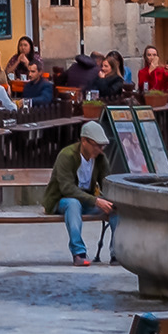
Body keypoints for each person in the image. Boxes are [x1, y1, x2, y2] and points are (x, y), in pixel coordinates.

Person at [46, 111, 118, 261]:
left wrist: (111, 201)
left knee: (115, 208)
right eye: (97, 146)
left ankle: (117, 253)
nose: (100, 150)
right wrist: (96, 200)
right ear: (84, 141)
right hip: (62, 200)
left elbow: (107, 183)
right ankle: (78, 253)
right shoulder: (67, 156)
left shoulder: (100, 158)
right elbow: (67, 189)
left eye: (102, 146)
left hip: (87, 200)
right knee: (73, 204)